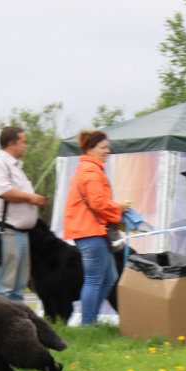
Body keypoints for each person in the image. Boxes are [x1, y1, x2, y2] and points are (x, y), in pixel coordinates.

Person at [63, 130, 125, 325]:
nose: (108, 151)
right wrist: (119, 208)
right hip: (90, 232)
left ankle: (91, 320)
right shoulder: (91, 171)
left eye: (108, 147)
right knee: (94, 279)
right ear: (90, 148)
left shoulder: (88, 168)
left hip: (91, 231)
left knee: (109, 277)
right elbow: (98, 203)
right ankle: (88, 323)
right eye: (103, 147)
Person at [0, 126, 46, 301]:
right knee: (3, 286)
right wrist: (30, 197)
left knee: (18, 287)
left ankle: (16, 317)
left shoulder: (16, 167)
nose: (25, 145)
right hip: (7, 232)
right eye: (23, 142)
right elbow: (3, 191)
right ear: (11, 144)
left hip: (20, 233)